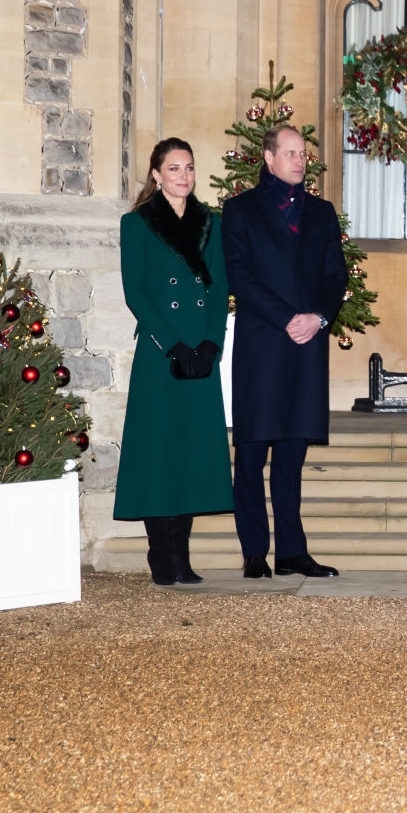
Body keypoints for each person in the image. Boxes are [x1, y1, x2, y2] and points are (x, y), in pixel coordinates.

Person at [221, 125, 346, 579]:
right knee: (252, 454)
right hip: (262, 345)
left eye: (304, 153)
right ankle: (255, 552)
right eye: (291, 152)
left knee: (292, 454)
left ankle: (293, 552)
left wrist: (318, 318)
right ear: (269, 158)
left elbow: (336, 276)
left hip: (307, 345)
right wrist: (286, 318)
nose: (300, 160)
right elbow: (239, 275)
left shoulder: (322, 212)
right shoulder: (239, 211)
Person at [116, 138, 235, 585]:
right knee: (157, 450)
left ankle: (182, 556)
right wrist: (173, 344)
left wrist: (210, 344)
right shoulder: (138, 223)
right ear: (156, 175)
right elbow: (136, 292)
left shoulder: (211, 222)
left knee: (190, 451)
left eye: (188, 167)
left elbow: (220, 285)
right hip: (160, 352)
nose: (183, 175)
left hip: (200, 355)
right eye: (174, 168)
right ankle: (159, 552)